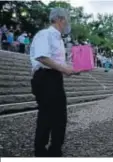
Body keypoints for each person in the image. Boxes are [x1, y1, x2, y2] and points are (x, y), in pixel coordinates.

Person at [30, 7, 76, 157]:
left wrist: (69, 70)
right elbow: (42, 57)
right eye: (65, 20)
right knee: (48, 115)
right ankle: (42, 151)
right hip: (45, 77)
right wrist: (63, 69)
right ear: (59, 19)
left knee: (58, 116)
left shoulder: (58, 39)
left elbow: (57, 63)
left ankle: (54, 149)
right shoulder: (45, 34)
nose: (66, 23)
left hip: (54, 77)